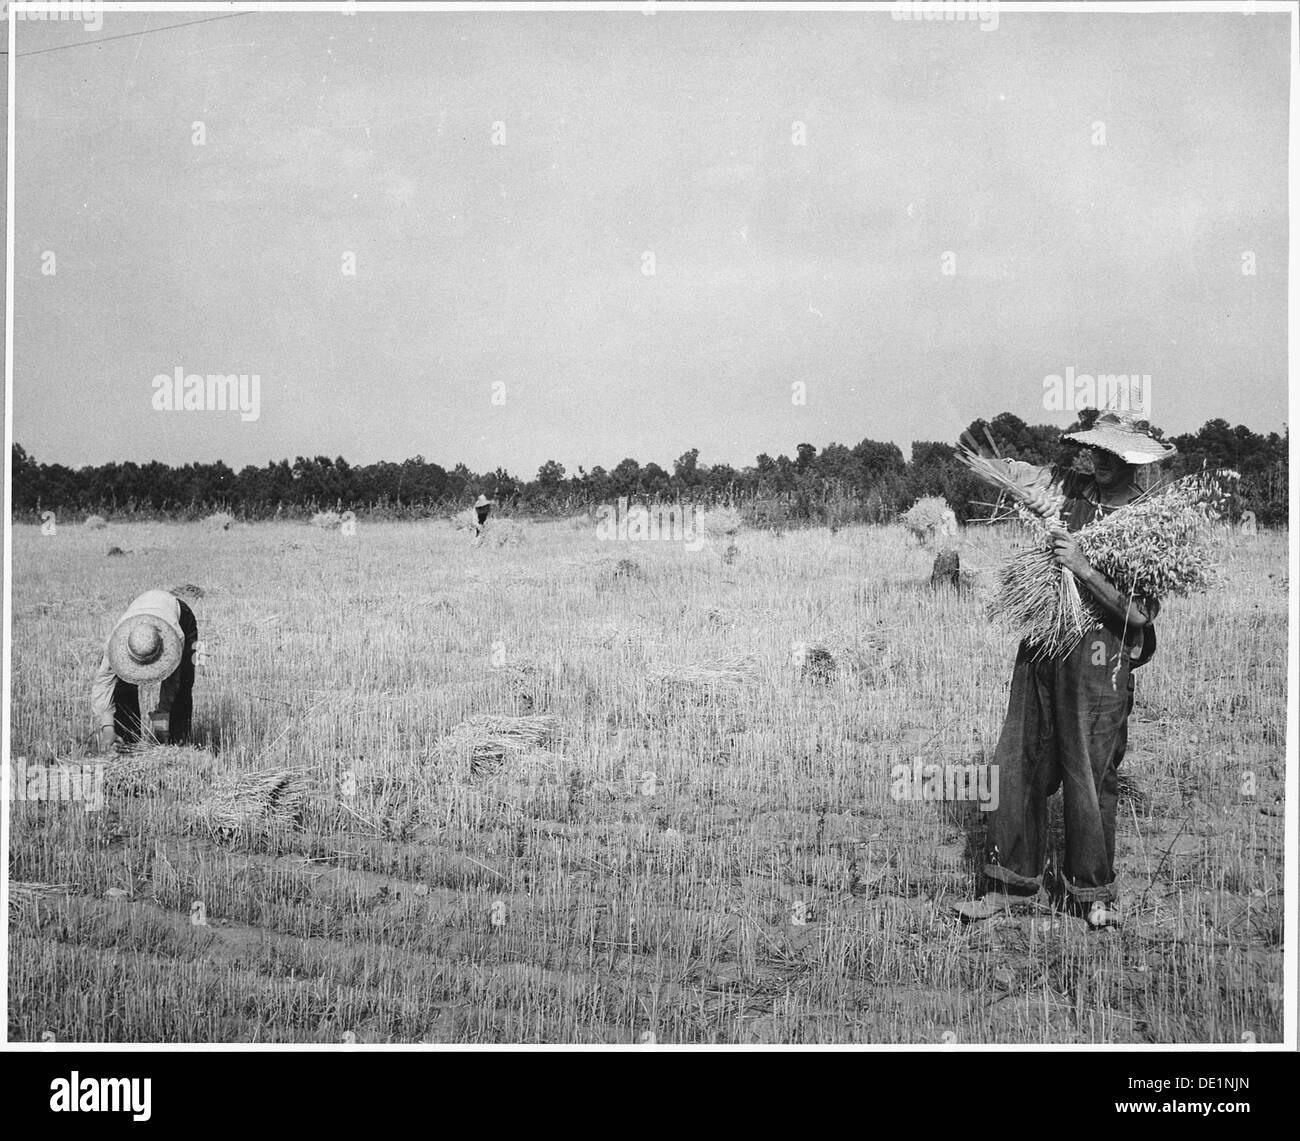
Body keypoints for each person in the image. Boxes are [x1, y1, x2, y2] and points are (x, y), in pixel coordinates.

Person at [977, 411, 1176, 929]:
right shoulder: (1071, 490)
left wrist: (1083, 566)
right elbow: (1026, 477)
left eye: (1115, 455)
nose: (1103, 462)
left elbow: (1139, 614)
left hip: (1099, 657)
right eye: (1097, 452)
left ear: (1134, 459)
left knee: (1088, 773)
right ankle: (1011, 883)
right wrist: (998, 468)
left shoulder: (1148, 522)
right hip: (1045, 641)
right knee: (1015, 759)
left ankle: (1091, 892)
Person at [91, 589, 199, 751]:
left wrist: (162, 724)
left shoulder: (176, 638)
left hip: (179, 615)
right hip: (142, 608)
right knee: (122, 685)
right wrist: (107, 728)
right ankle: (126, 743)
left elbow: (172, 686)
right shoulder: (115, 642)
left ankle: (177, 746)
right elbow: (103, 683)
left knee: (183, 685)